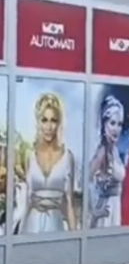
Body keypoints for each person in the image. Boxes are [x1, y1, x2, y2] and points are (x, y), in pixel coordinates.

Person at [21, 93, 79, 233]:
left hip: (56, 226)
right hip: (32, 226)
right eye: (44, 120)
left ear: (59, 123)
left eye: (53, 120)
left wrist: (75, 237)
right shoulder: (30, 156)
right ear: (38, 122)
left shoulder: (67, 157)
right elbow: (27, 202)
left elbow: (69, 204)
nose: (49, 127)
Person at [89, 95, 127, 228]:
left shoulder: (115, 151)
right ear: (104, 124)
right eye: (112, 123)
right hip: (106, 211)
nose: (116, 129)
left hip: (116, 207)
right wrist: (94, 210)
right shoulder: (102, 151)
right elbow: (86, 180)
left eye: (119, 124)